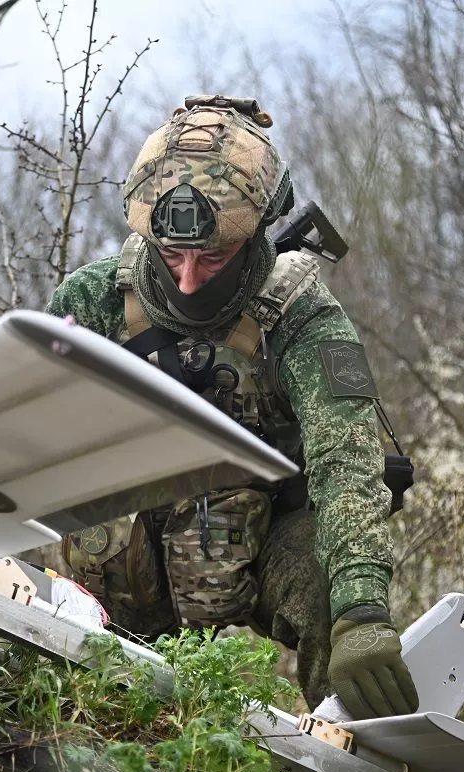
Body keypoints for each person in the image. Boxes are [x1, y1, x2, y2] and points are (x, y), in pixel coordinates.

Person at [47, 94, 419, 720]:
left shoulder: (304, 319)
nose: (189, 279)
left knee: (331, 596)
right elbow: (26, 436)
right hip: (125, 555)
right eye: (172, 256)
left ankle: (354, 750)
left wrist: (361, 611)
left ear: (254, 237)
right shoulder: (93, 302)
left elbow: (347, 463)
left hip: (262, 536)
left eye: (213, 257)